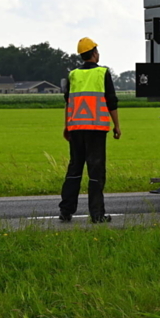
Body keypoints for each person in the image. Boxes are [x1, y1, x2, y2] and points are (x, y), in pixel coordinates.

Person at [58, 37, 121, 223]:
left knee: (74, 169)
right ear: (94, 53)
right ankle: (97, 214)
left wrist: (67, 125)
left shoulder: (73, 75)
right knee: (96, 171)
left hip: (76, 128)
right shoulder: (102, 73)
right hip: (96, 128)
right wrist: (117, 125)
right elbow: (112, 101)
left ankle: (66, 211)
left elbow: (68, 103)